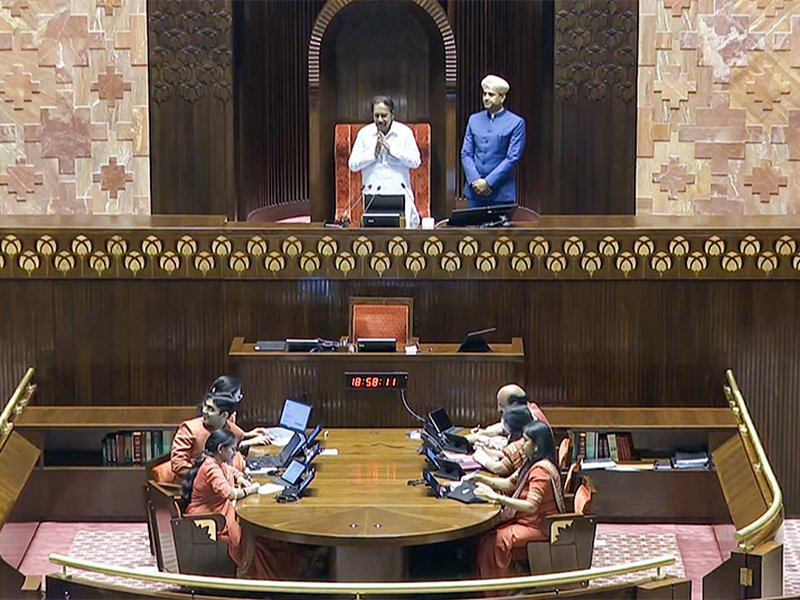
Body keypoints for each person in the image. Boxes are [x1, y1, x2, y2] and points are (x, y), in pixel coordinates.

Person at [181, 429, 302, 579]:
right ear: (221, 449)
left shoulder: (216, 462)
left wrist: (241, 479)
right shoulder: (210, 467)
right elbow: (230, 493)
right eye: (232, 449)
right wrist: (251, 489)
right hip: (209, 517)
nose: (234, 453)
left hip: (220, 509)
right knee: (251, 536)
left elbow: (231, 470)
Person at [471, 421, 565, 585]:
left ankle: (503, 588)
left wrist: (497, 498)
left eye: (526, 440)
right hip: (526, 521)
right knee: (487, 536)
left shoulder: (541, 471)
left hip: (540, 526)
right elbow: (509, 483)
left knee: (497, 541)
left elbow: (531, 506)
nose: (522, 445)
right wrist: (480, 479)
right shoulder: (530, 462)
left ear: (536, 446)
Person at [348, 95, 421, 228]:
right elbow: (352, 165)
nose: (380, 120)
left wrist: (391, 149)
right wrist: (373, 154)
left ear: (392, 115)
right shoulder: (364, 134)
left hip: (400, 196)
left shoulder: (405, 133)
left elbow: (416, 161)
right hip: (373, 198)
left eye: (383, 115)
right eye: (376, 116)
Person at [460, 74, 526, 207]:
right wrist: (475, 181)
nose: (486, 98)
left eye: (491, 94)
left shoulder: (516, 122)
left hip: (501, 193)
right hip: (474, 192)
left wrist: (488, 182)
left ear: (502, 97)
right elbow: (466, 154)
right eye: (484, 94)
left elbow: (512, 158)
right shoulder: (474, 119)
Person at [169, 393, 250, 481]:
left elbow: (238, 449)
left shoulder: (232, 430)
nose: (204, 411)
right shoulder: (188, 429)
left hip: (230, 482)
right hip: (195, 486)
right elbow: (178, 464)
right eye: (205, 406)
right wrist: (212, 474)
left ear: (224, 415)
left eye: (210, 409)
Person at [467, 384, 550, 447]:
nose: (499, 409)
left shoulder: (532, 419)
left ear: (514, 405)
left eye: (501, 405)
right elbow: (503, 426)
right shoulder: (523, 410)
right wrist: (486, 432)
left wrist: (479, 439)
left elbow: (514, 448)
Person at [206, 375, 273, 447]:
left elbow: (232, 435)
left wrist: (248, 434)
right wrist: (246, 443)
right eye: (238, 396)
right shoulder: (212, 419)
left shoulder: (227, 415)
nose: (239, 399)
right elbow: (220, 448)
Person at [472, 404, 534, 476]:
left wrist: (479, 456)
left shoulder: (521, 443)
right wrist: (485, 449)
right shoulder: (529, 434)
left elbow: (498, 468)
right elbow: (505, 454)